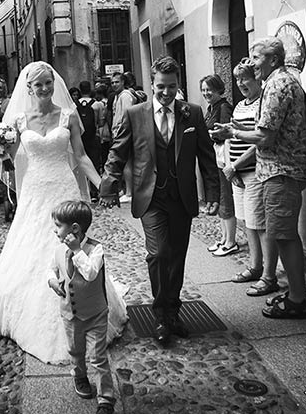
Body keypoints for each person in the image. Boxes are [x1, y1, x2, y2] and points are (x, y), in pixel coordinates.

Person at [0, 61, 127, 364]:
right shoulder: (18, 121)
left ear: (55, 85)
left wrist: (102, 185)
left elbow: (80, 157)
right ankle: (31, 312)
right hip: (34, 191)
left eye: (48, 83)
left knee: (71, 249)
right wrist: (1, 153)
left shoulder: (67, 116)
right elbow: (14, 163)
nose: (44, 88)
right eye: (38, 84)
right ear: (28, 88)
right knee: (31, 247)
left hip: (64, 189)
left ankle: (83, 308)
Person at [100, 56, 219, 344]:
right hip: (150, 196)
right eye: (161, 87)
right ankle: (160, 315)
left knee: (177, 256)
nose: (166, 93)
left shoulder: (192, 113)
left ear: (178, 85)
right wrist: (108, 185)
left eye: (172, 87)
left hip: (182, 197)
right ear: (152, 83)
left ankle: (173, 312)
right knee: (158, 253)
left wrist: (213, 193)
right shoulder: (135, 114)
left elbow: (206, 155)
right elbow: (119, 151)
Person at [212, 37, 306, 318]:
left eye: (256, 57)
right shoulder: (279, 82)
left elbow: (265, 136)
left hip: (281, 171)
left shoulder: (279, 84)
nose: (251, 62)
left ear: (273, 60)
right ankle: (295, 292)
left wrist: (232, 133)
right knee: (282, 234)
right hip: (279, 171)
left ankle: (298, 299)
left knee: (284, 235)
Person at [48, 200, 116, 414]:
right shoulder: (59, 250)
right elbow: (51, 269)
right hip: (70, 313)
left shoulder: (96, 249)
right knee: (75, 351)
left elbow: (90, 274)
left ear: (74, 229)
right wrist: (52, 281)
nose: (55, 229)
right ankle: (79, 376)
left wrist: (77, 250)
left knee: (98, 356)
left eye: (58, 225)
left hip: (95, 313)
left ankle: (106, 398)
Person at [221, 60, 275, 296]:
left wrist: (235, 165)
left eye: (245, 78)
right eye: (238, 79)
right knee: (246, 221)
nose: (241, 83)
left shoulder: (263, 103)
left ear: (257, 79)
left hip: (252, 171)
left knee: (258, 224)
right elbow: (236, 135)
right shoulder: (240, 105)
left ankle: (267, 275)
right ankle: (255, 266)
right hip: (237, 173)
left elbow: (259, 141)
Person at [199, 74, 233, 255]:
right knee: (220, 197)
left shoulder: (224, 107)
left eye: (209, 89)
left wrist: (211, 134)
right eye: (203, 90)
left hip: (223, 157)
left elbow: (227, 131)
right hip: (215, 157)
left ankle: (230, 241)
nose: (206, 93)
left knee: (226, 198)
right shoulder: (211, 108)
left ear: (219, 89)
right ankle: (223, 238)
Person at [109, 73, 137, 203]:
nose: (114, 85)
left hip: (124, 133)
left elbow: (127, 115)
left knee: (127, 162)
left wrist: (121, 132)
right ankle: (127, 190)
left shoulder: (125, 96)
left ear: (122, 82)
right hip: (119, 132)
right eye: (112, 83)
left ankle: (130, 192)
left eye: (117, 82)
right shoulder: (118, 96)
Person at [77, 80, 102, 175]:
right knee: (94, 161)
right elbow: (101, 122)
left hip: (79, 137)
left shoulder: (75, 105)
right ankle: (94, 186)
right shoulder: (97, 104)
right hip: (93, 136)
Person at [94, 83, 111, 173]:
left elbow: (100, 120)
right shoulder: (110, 101)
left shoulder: (99, 104)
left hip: (102, 130)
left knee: (103, 152)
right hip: (109, 130)